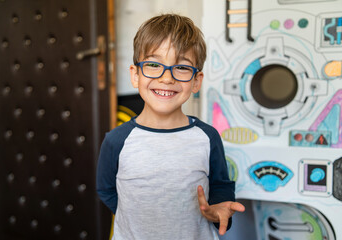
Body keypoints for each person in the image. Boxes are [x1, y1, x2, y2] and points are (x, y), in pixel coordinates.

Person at [96, 13, 245, 240]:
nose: (167, 78)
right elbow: (106, 190)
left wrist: (219, 211)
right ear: (135, 75)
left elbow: (220, 186)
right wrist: (138, 217)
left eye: (182, 68)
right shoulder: (117, 140)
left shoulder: (207, 137)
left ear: (196, 81)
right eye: (154, 65)